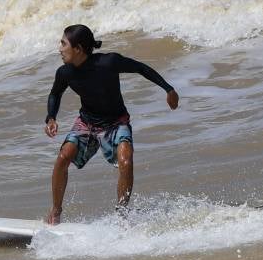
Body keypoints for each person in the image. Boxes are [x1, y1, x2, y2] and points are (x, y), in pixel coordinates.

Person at [43, 24, 179, 224]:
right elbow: (55, 93)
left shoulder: (109, 62)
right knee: (63, 157)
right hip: (87, 123)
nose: (60, 49)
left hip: (116, 123)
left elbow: (141, 68)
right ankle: (55, 211)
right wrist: (51, 117)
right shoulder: (65, 73)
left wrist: (169, 89)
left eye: (63, 44)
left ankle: (121, 214)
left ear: (78, 48)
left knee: (126, 160)